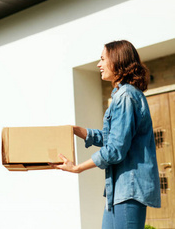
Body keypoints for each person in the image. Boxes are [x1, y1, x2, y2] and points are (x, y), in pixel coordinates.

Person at [54, 40, 161, 229]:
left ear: (117, 61)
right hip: (117, 191)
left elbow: (115, 149)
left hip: (129, 189)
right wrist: (76, 130)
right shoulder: (121, 95)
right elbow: (113, 137)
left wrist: (78, 168)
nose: (99, 64)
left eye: (102, 59)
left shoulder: (126, 97)